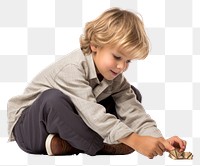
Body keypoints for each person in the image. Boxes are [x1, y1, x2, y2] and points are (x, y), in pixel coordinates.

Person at [7, 8, 186, 159]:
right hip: (32, 129)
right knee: (53, 99)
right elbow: (93, 115)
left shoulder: (116, 78)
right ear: (94, 45)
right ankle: (101, 146)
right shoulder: (72, 68)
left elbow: (134, 111)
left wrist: (160, 141)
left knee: (132, 94)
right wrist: (133, 139)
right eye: (117, 57)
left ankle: (68, 143)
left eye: (128, 61)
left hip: (71, 121)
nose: (122, 66)